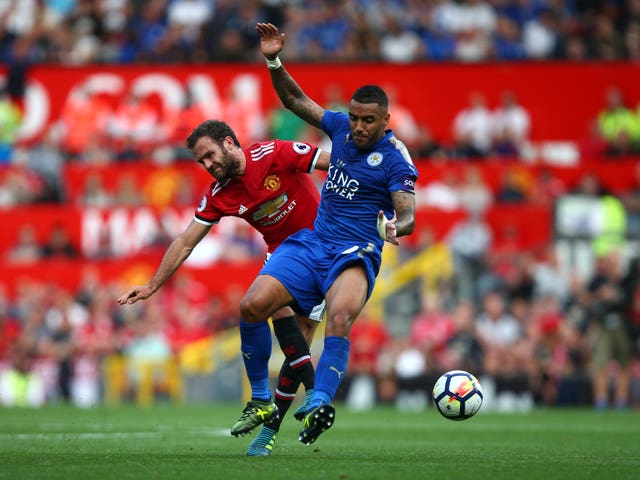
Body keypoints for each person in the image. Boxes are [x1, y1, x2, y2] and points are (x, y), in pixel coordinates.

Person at [233, 22, 418, 447]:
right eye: (353, 118)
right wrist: (274, 60)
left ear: (386, 120)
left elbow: (407, 214)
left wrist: (395, 226)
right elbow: (295, 100)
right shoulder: (338, 128)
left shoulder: (394, 159)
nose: (357, 127)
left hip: (356, 251)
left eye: (367, 120)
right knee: (252, 305)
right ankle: (261, 401)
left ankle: (318, 400)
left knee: (337, 319)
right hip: (313, 243)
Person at [116, 119, 330, 456]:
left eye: (210, 155)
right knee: (258, 306)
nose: (208, 165)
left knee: (298, 346)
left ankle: (273, 427)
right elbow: (186, 241)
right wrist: (152, 285)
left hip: (321, 250)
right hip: (282, 257)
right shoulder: (219, 194)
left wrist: (365, 199)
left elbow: (333, 164)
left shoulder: (276, 152)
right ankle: (271, 399)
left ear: (229, 143)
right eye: (201, 162)